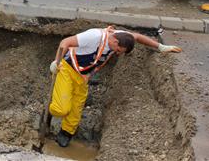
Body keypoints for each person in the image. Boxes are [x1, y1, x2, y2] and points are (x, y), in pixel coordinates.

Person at [48, 25, 181, 147]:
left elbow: (138, 37)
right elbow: (64, 43)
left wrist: (160, 47)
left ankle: (66, 133)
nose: (118, 53)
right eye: (118, 50)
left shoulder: (122, 36)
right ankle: (53, 107)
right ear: (115, 41)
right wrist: (56, 61)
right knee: (61, 110)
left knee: (76, 107)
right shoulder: (93, 36)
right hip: (67, 68)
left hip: (83, 74)